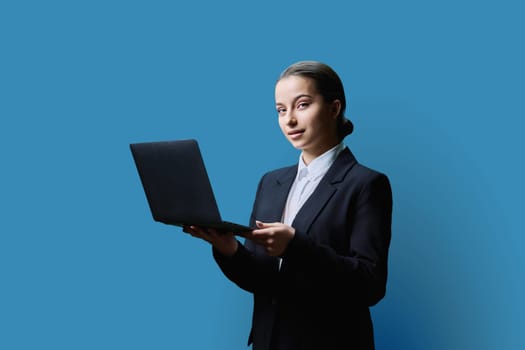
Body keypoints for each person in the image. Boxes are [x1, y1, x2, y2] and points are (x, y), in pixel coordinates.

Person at [183, 60, 393, 350]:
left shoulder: (366, 184)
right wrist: (228, 248)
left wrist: (296, 246)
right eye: (281, 110)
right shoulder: (271, 182)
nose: (289, 120)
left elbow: (370, 285)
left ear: (334, 108)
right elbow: (263, 280)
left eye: (302, 105)